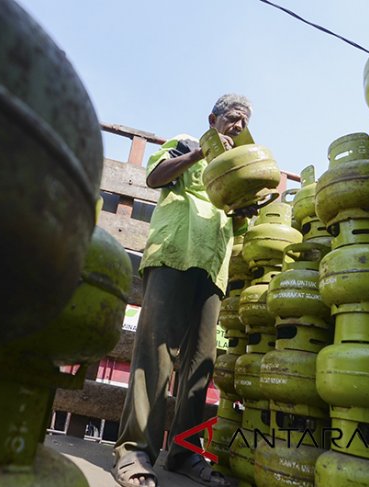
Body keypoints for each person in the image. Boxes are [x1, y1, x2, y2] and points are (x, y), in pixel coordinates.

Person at [111, 94, 255, 487]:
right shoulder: (186, 142)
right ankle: (134, 452)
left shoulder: (237, 169)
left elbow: (235, 226)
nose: (239, 126)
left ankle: (186, 456)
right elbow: (154, 177)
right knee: (155, 353)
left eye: (245, 122)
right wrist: (195, 156)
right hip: (175, 252)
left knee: (200, 366)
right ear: (214, 119)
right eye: (234, 118)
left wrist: (244, 211)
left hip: (212, 267)